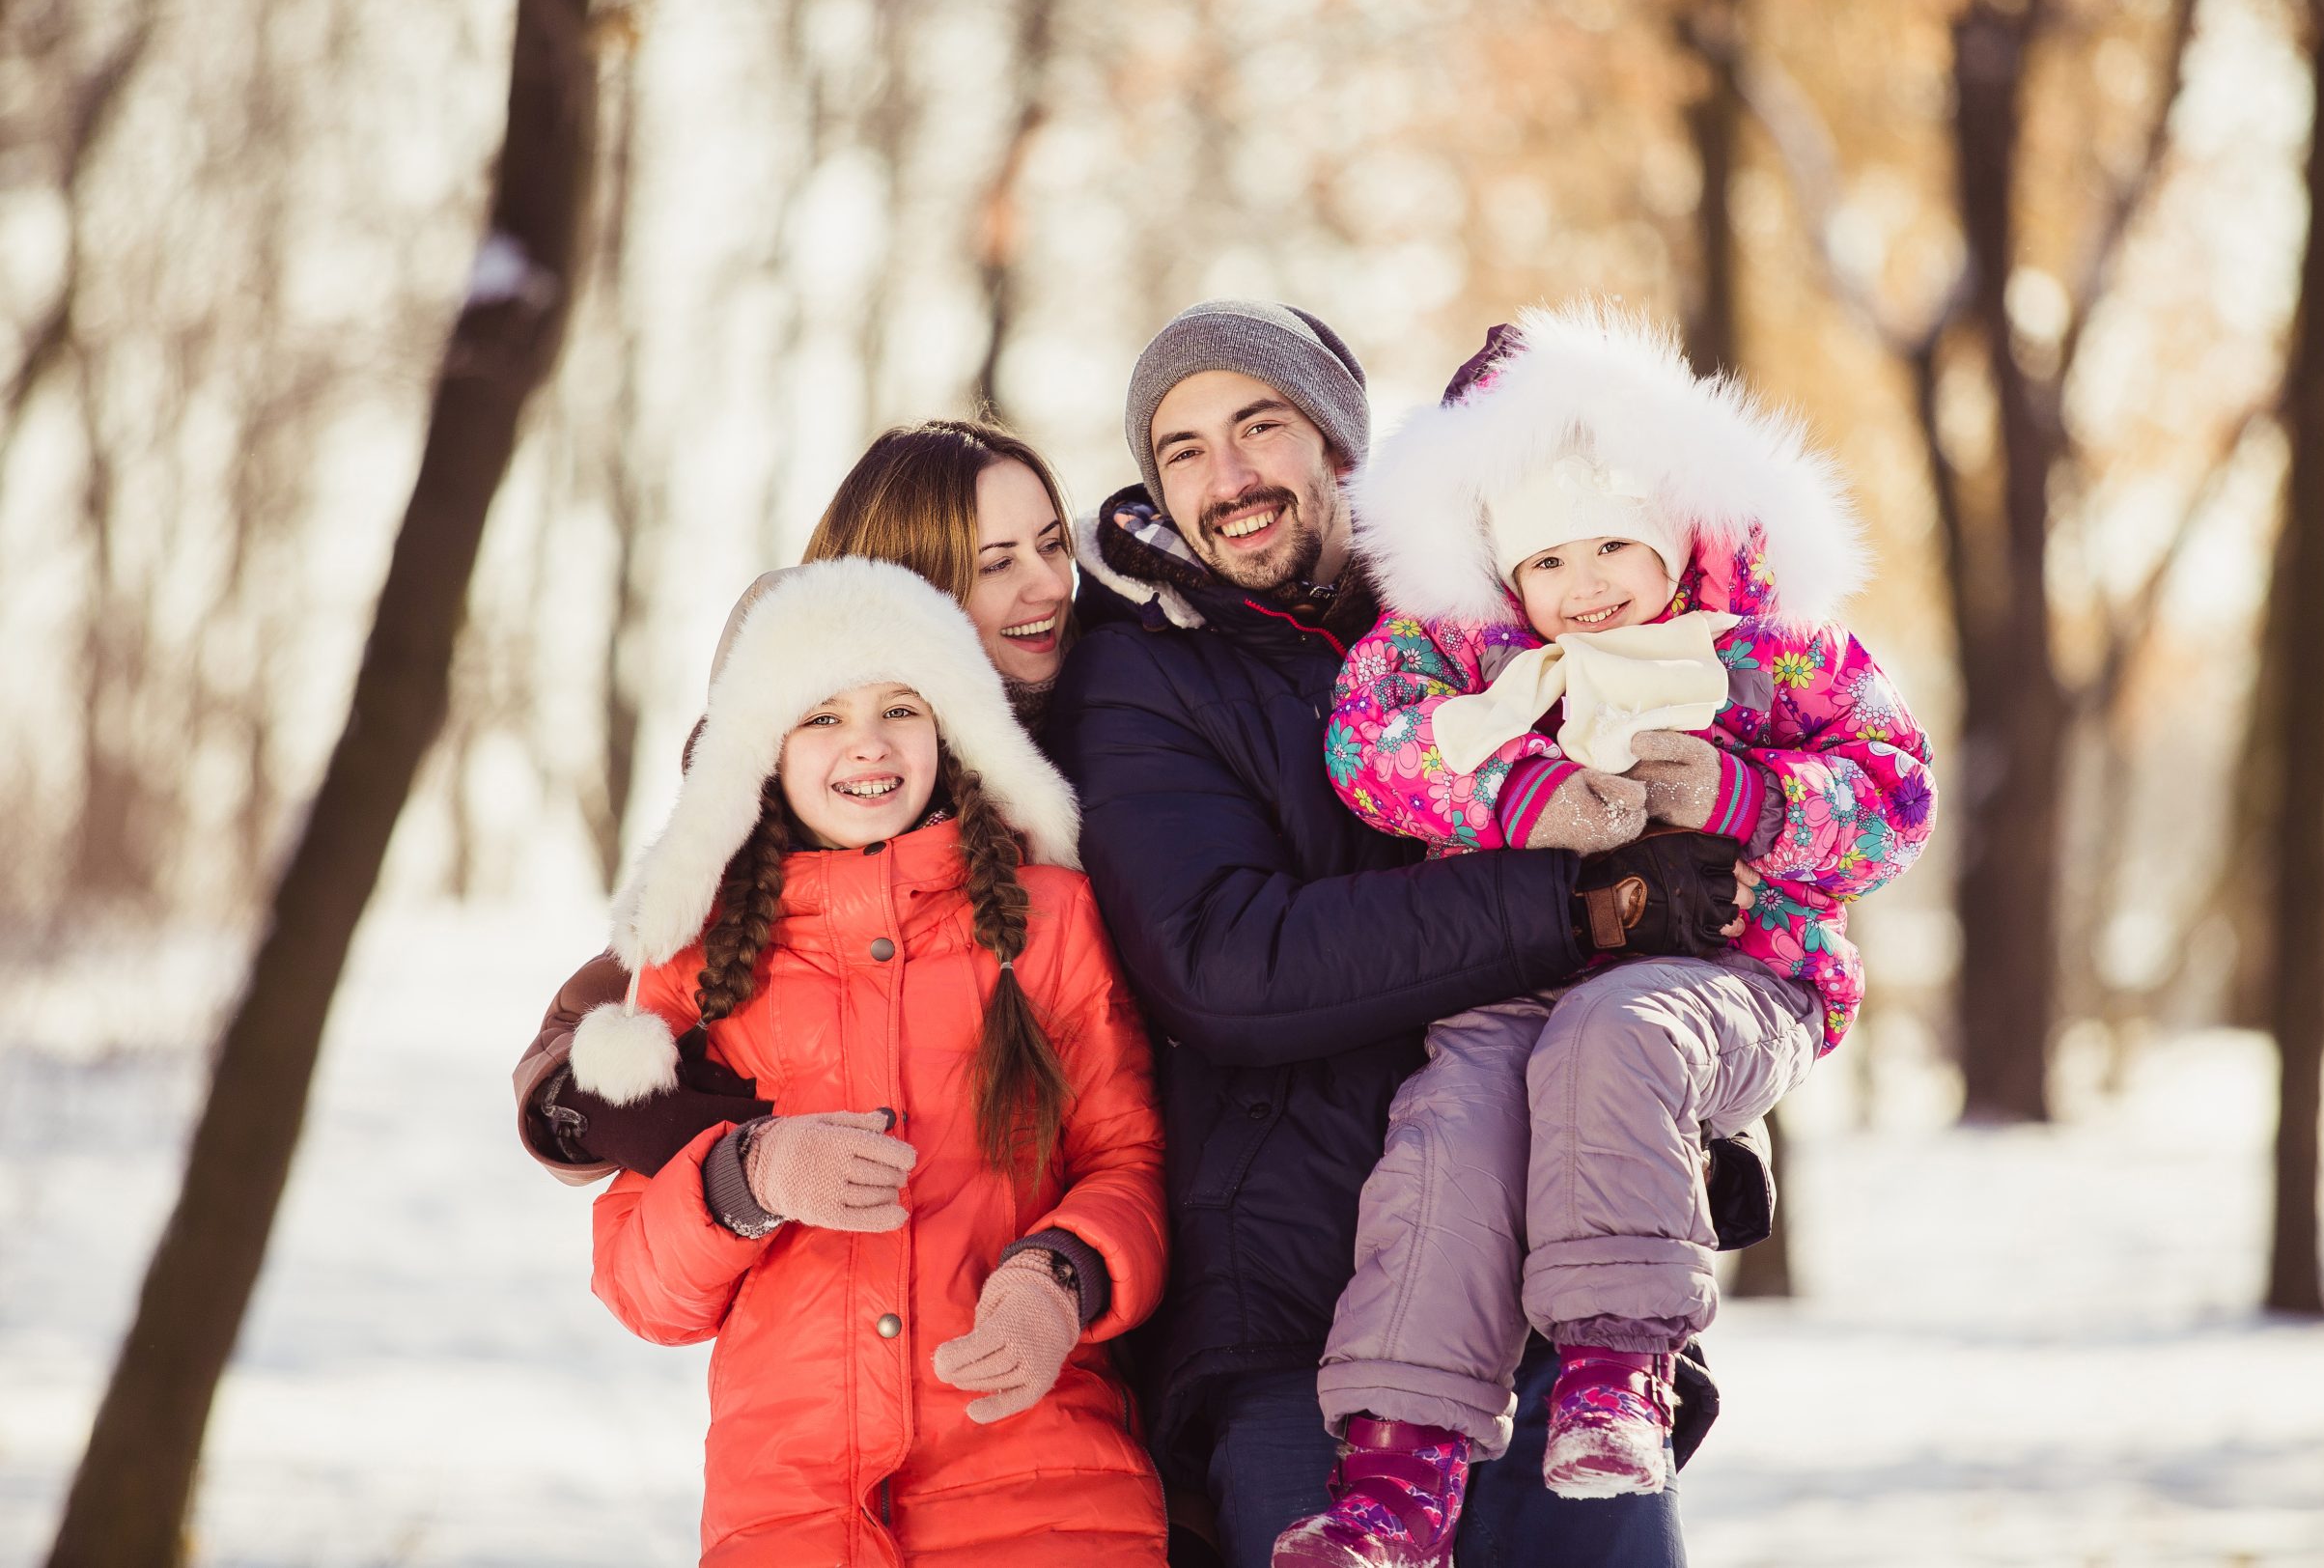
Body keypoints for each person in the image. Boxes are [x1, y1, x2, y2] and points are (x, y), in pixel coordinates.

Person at [1048, 300, 1752, 1567]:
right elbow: (1229, 962)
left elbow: (1696, 856)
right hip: (1296, 1339)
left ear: (1341, 445)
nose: (1231, 477)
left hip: (1541, 1316)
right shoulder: (1150, 682)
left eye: (1262, 425)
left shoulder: (1505, 614)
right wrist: (1576, 906)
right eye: (1185, 449)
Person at [1269, 308, 1937, 1563]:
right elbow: (1371, 740)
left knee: (1614, 1029)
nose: (1586, 588)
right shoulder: (1473, 664)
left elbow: (1894, 792)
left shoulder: (1766, 654)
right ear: (1504, 574)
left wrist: (1744, 798)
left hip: (1731, 975)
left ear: (1675, 534)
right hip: (1519, 973)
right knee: (1448, 1126)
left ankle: (1620, 1367)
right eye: (1549, 563)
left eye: (1613, 548)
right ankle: (1396, 1475)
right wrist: (1520, 797)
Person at [574, 555, 1167, 1566]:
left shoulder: (1046, 919)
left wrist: (1058, 1275)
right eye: (822, 714)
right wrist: (746, 1172)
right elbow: (642, 1286)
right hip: (793, 1516)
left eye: (901, 704)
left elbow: (1133, 1165)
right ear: (761, 749)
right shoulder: (697, 959)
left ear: (950, 728)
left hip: (1045, 1496)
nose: (869, 742)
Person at [513, 419, 1078, 1184]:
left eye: (1053, 544)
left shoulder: (1124, 701)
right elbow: (612, 1023)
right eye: (997, 563)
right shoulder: (811, 786)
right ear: (906, 592)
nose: (1047, 584)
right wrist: (744, 1156)